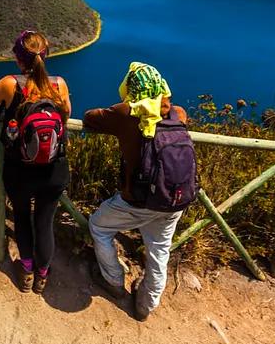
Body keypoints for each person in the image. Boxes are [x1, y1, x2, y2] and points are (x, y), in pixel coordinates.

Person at [82, 62, 193, 321]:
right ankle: (146, 306)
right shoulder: (179, 113)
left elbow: (89, 117)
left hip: (138, 201)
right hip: (174, 199)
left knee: (99, 226)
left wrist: (125, 106)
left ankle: (113, 280)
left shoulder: (126, 114)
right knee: (159, 250)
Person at [0, 30, 72, 294]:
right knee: (45, 221)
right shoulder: (59, 84)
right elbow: (66, 114)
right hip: (54, 168)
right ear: (45, 55)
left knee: (23, 219)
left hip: (20, 170)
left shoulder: (9, 84)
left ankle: (26, 271)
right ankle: (42, 275)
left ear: (18, 58)